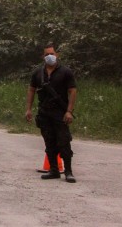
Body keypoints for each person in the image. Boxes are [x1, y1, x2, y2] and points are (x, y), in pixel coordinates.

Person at [25, 44, 78, 183]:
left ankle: (68, 171)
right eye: (47, 54)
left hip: (60, 113)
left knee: (64, 142)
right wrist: (28, 109)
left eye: (52, 53)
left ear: (57, 55)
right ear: (43, 57)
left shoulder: (65, 72)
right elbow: (31, 90)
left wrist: (69, 111)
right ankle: (53, 170)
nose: (50, 56)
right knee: (49, 142)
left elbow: (72, 91)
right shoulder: (38, 73)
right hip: (44, 113)